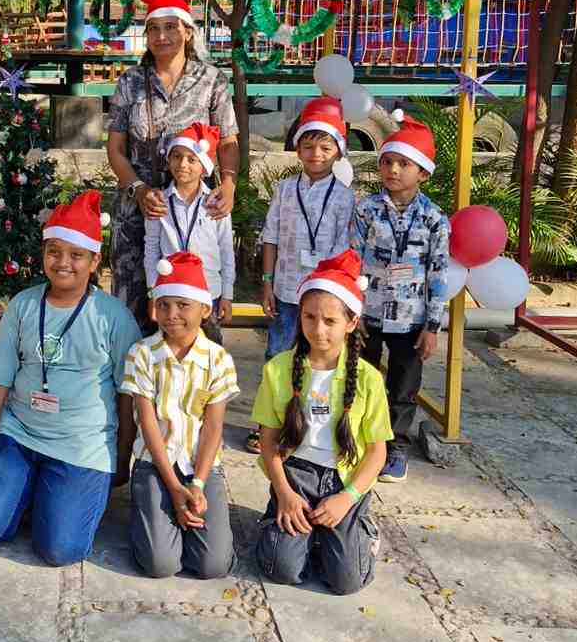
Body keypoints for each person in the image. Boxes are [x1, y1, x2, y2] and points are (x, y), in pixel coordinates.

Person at [0, 190, 142, 566]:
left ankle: (48, 494)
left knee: (60, 550)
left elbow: (129, 395)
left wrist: (122, 458)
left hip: (81, 444)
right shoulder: (24, 305)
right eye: (54, 251)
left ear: (94, 261)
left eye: (76, 255)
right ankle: (28, 488)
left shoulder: (114, 318)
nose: (63, 263)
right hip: (20, 433)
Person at [252, 250, 391, 596]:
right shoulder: (278, 370)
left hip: (342, 478)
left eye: (330, 321)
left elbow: (376, 453)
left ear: (352, 322)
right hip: (295, 474)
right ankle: (287, 524)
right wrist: (284, 493)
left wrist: (347, 498)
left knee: (346, 582)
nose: (318, 330)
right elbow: (268, 441)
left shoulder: (369, 379)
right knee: (279, 569)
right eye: (309, 317)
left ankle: (357, 530)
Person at [106, 0, 239, 323]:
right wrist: (137, 189)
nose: (161, 35)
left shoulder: (212, 81)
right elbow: (116, 148)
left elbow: (228, 141)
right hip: (136, 213)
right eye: (153, 28)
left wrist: (229, 185)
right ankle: (134, 373)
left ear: (188, 32)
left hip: (194, 212)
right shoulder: (130, 82)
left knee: (195, 307)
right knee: (131, 311)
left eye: (170, 27)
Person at [247, 96, 355, 453]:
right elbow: (271, 237)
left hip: (322, 298)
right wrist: (266, 284)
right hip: (286, 289)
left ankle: (310, 424)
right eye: (308, 145)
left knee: (320, 359)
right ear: (297, 149)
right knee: (277, 355)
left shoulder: (344, 198)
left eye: (325, 146)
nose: (316, 154)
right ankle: (267, 424)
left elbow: (344, 249)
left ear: (338, 151)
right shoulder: (284, 189)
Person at [122, 252, 237, 580]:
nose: (172, 315)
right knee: (161, 565)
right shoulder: (142, 354)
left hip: (200, 466)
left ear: (205, 308)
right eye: (164, 305)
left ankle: (186, 514)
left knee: (212, 566)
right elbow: (146, 422)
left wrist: (198, 484)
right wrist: (173, 488)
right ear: (154, 309)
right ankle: (154, 515)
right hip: (154, 465)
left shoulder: (219, 360)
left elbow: (214, 427)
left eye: (183, 305)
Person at [351, 112, 450, 485]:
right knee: (361, 380)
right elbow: (352, 258)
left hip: (411, 319)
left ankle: (395, 451)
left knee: (403, 388)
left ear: (422, 173)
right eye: (387, 162)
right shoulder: (366, 211)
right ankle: (360, 442)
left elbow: (439, 275)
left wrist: (432, 326)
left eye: (403, 164)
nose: (393, 170)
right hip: (369, 314)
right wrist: (353, 311)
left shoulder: (435, 219)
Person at [142, 122, 234, 338]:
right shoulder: (158, 202)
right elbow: (151, 250)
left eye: (192, 159)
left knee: (210, 352)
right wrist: (152, 292)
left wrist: (227, 296)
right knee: (169, 350)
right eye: (176, 157)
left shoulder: (217, 204)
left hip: (208, 294)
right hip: (169, 292)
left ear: (204, 167)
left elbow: (227, 252)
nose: (183, 164)